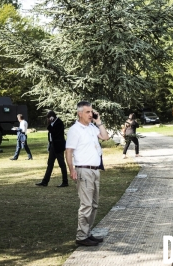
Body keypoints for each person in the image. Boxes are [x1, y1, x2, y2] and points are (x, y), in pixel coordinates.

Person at [65, 101, 110, 246]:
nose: (91, 114)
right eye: (88, 112)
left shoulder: (91, 127)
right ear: (80, 114)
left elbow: (105, 137)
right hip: (83, 170)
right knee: (86, 204)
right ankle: (81, 236)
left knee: (94, 204)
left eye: (92, 112)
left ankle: (87, 233)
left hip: (95, 170)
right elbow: (69, 151)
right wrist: (71, 169)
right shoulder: (75, 130)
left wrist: (99, 121)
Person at [36, 110, 68, 187]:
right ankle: (45, 181)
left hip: (58, 146)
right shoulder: (53, 123)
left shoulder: (58, 123)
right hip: (53, 145)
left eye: (48, 118)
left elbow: (54, 133)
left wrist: (49, 124)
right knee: (50, 163)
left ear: (51, 117)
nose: (47, 120)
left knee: (61, 164)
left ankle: (65, 181)